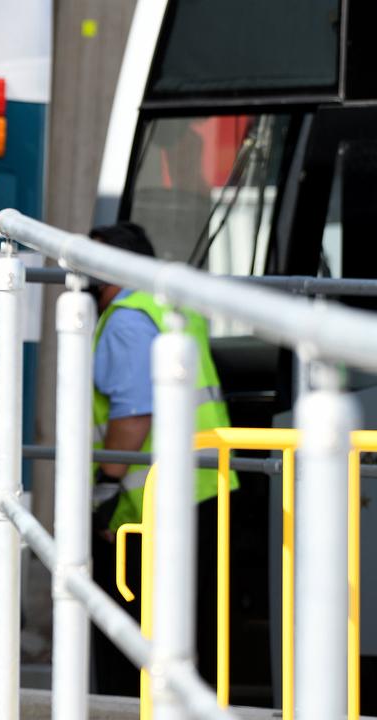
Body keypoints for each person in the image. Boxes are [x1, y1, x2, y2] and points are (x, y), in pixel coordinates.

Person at [85, 221, 234, 694]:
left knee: (130, 631)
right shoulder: (171, 307)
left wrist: (105, 490)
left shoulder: (127, 319)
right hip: (205, 485)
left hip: (148, 503)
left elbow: (132, 416)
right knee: (191, 624)